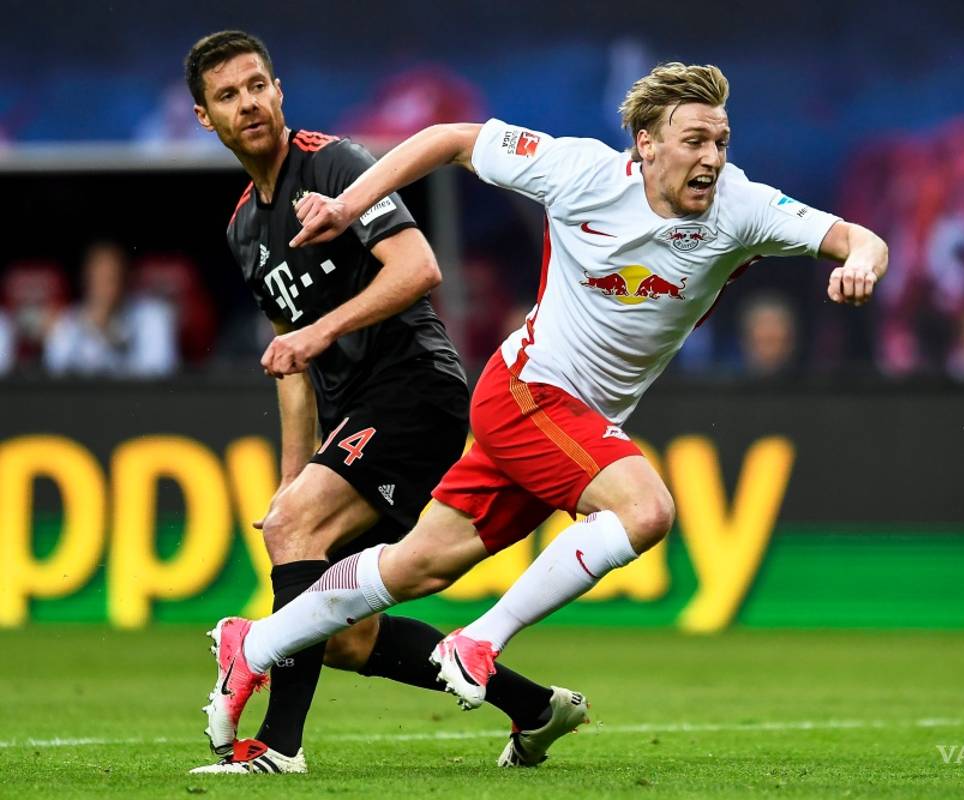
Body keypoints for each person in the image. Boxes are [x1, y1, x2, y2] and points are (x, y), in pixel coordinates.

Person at [204, 61, 887, 738]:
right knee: (646, 510)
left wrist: (860, 262)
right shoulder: (580, 172)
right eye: (694, 140)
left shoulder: (742, 208)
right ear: (647, 144)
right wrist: (348, 206)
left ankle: (255, 643)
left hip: (578, 424)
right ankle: (480, 640)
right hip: (525, 390)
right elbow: (449, 139)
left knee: (416, 566)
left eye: (720, 141)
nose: (711, 157)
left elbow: (860, 239)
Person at [184, 30, 585, 775]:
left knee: (302, 537)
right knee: (342, 636)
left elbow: (418, 268)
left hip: (414, 388)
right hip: (352, 415)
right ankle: (534, 707)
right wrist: (291, 483)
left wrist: (322, 332)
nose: (249, 104)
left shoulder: (334, 164)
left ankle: (276, 747)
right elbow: (292, 365)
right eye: (229, 95)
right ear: (205, 117)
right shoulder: (244, 229)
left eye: (258, 85)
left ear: (279, 89)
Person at [43, 241, 177, 377]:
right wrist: (90, 328)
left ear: (125, 279)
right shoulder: (68, 320)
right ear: (87, 280)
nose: (107, 287)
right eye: (100, 279)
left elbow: (159, 369)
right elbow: (56, 370)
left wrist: (109, 336)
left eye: (112, 278)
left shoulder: (153, 316)